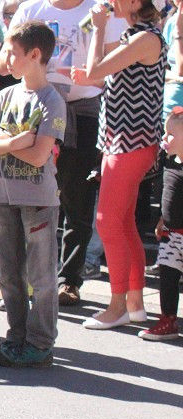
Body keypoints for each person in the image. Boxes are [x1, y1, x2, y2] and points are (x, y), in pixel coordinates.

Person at [2, 0, 127, 307]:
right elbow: (5, 60)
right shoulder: (31, 9)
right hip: (32, 107)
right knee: (30, 193)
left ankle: (69, 280)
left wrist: (89, 75)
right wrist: (12, 62)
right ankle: (29, 279)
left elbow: (113, 70)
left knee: (77, 197)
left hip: (84, 111)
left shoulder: (103, 11)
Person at [73, 0, 166, 329]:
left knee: (107, 222)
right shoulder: (136, 36)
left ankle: (117, 307)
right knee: (123, 223)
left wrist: (97, 28)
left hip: (131, 141)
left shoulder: (145, 38)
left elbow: (98, 68)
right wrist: (94, 78)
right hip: (123, 141)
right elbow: (103, 74)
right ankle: (134, 303)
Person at [0, 21, 65, 367]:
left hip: (39, 201)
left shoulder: (52, 101)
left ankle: (40, 342)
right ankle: (16, 337)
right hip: (5, 196)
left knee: (42, 277)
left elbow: (39, 155)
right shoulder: (5, 95)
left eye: (12, 53)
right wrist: (15, 141)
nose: (6, 59)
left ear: (34, 55)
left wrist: (3, 143)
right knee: (9, 273)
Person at [141, 107, 183, 339]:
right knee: (167, 276)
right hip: (170, 233)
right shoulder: (170, 162)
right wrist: (161, 220)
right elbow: (168, 196)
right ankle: (168, 319)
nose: (165, 139)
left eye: (171, 135)